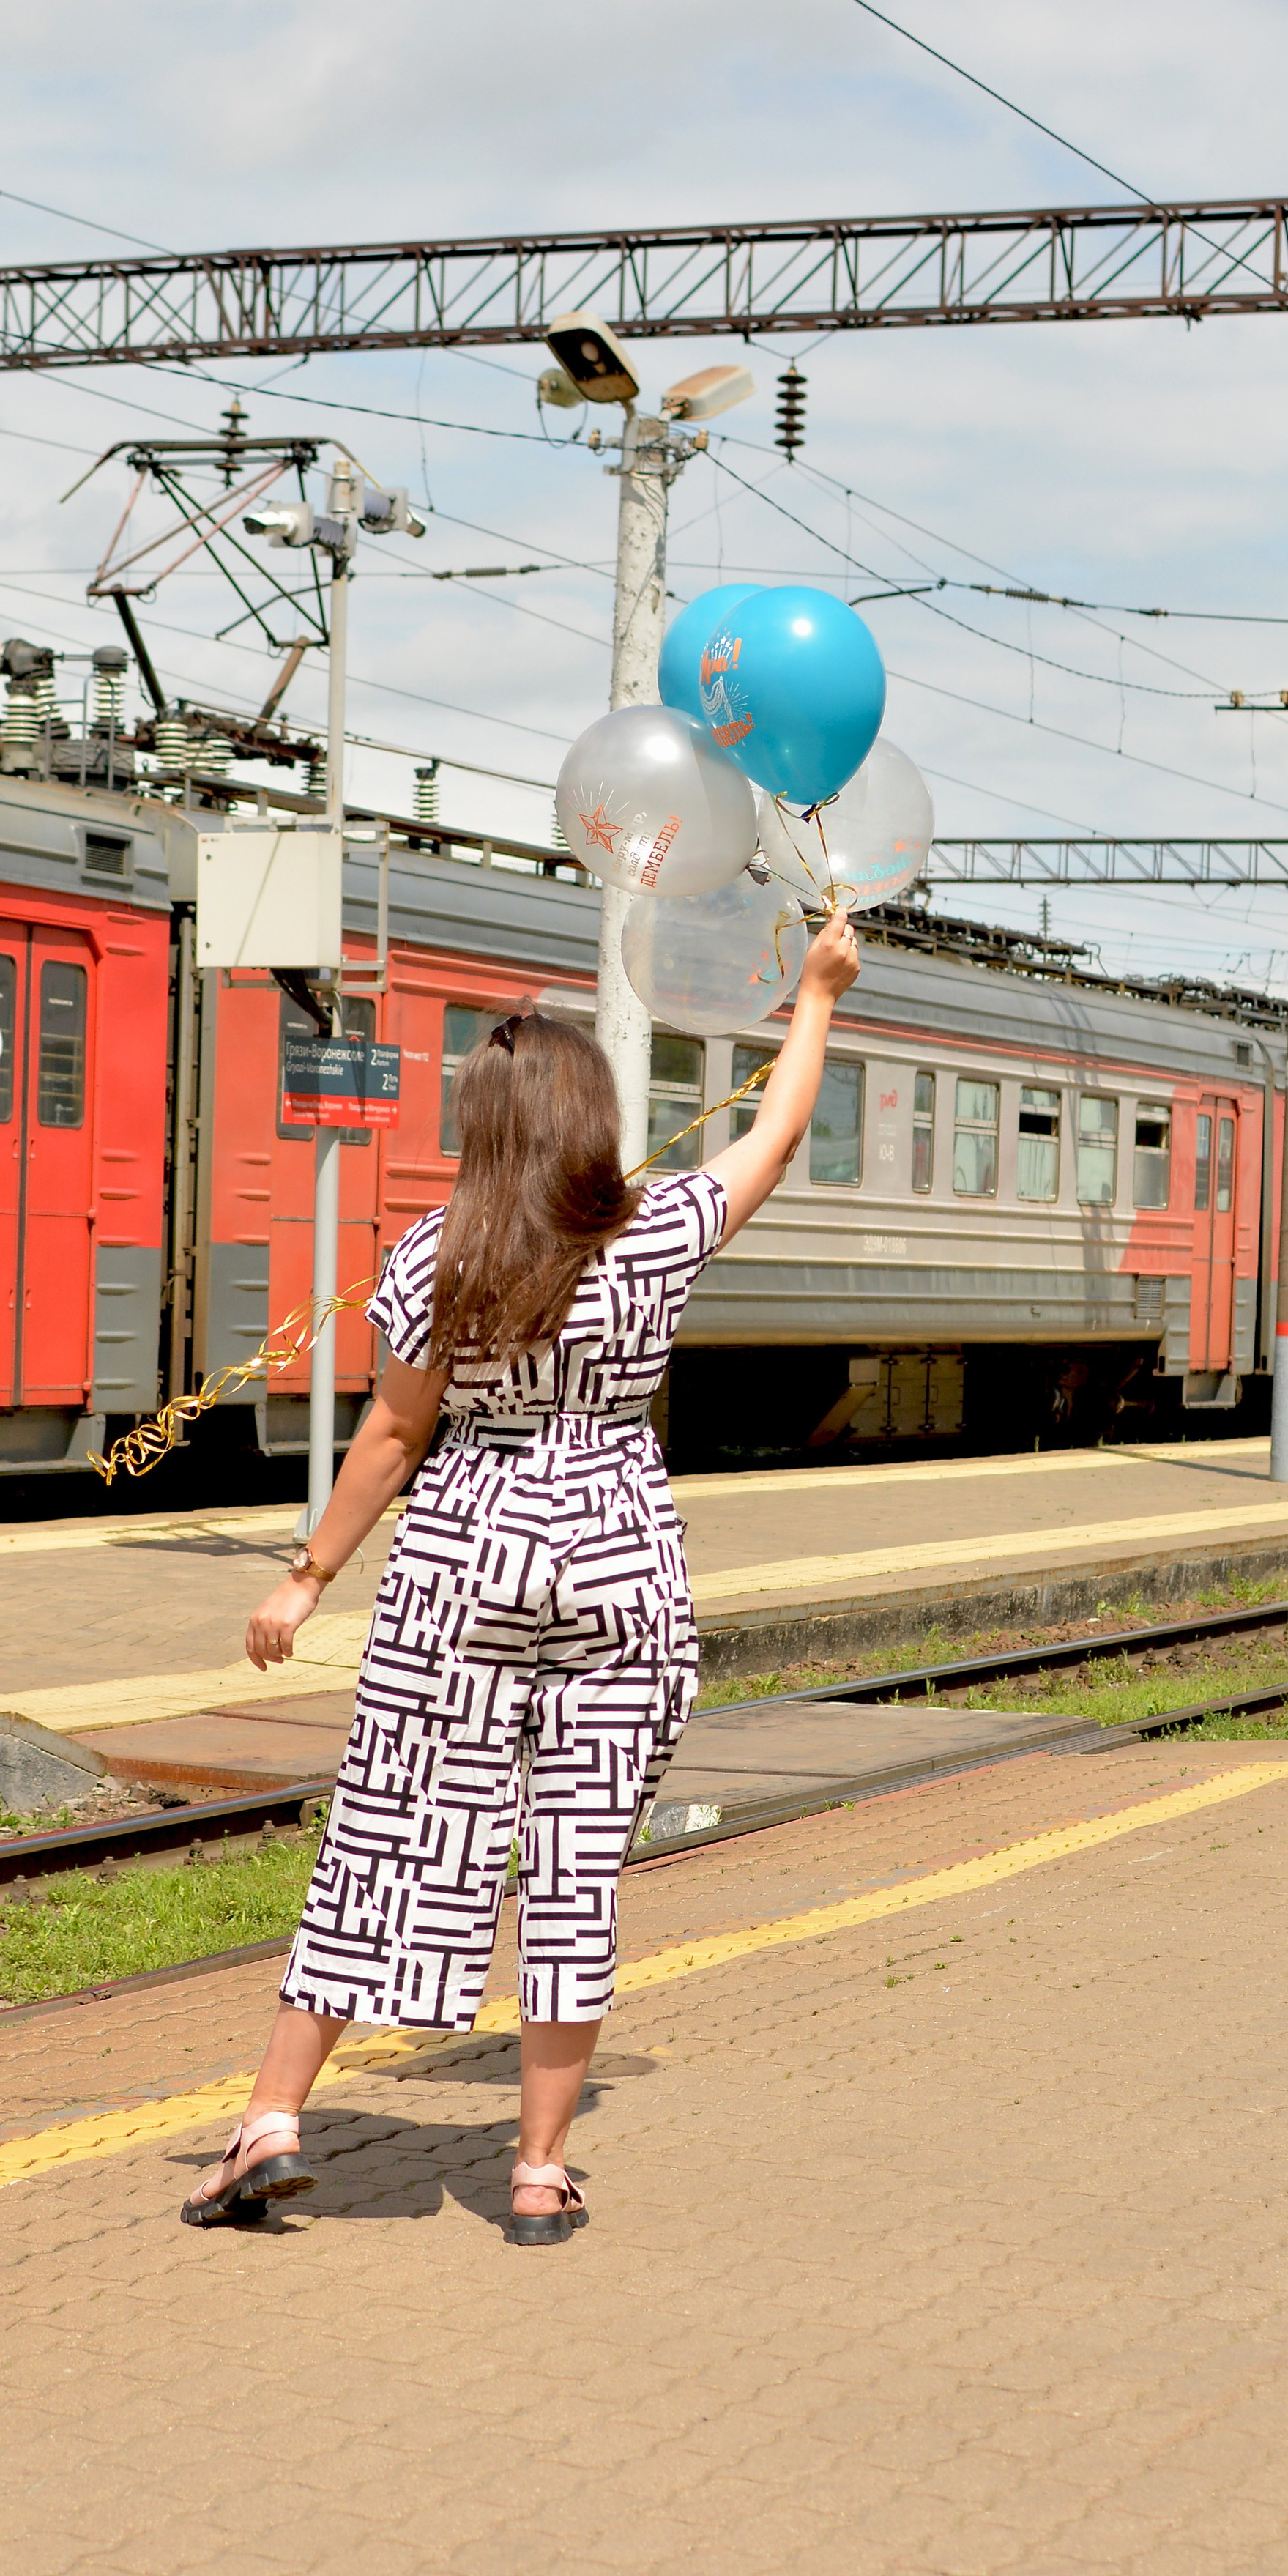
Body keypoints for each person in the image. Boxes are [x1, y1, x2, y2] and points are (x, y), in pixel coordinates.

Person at [185, 903, 862, 2243]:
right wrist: (820, 999)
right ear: (590, 1117)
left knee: (383, 1839)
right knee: (575, 1871)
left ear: (484, 1126)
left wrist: (306, 1576)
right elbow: (773, 1134)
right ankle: (540, 2173)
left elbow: (392, 1431)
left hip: (460, 1565)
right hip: (619, 1563)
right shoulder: (658, 1229)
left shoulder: (433, 1259)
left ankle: (270, 2120)